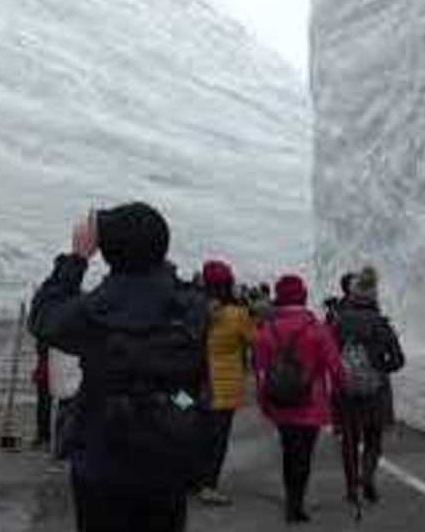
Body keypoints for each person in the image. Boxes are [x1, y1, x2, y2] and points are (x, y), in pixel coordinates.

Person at [29, 202, 208, 532]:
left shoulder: (94, 310)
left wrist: (77, 258)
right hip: (168, 452)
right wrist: (183, 405)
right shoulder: (191, 307)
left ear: (109, 252)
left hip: (101, 454)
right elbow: (194, 382)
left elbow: (44, 317)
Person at [253, 274, 343, 524]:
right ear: (303, 296)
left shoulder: (266, 330)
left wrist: (264, 402)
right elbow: (335, 368)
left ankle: (292, 498)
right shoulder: (317, 329)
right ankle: (297, 502)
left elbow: (260, 371)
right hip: (311, 404)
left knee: (289, 451)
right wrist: (339, 398)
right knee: (304, 454)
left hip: (280, 402)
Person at [330, 266, 405, 506]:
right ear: (373, 297)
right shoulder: (382, 325)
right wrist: (380, 369)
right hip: (376, 392)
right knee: (373, 439)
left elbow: (329, 355)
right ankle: (367, 475)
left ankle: (351, 488)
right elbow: (398, 360)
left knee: (350, 440)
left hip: (347, 391)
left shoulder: (339, 323)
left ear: (352, 296)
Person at [196, 259, 256, 506]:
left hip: (188, 388)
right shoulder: (236, 315)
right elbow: (256, 340)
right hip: (223, 390)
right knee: (217, 438)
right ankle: (208, 486)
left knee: (191, 430)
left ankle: (190, 478)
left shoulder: (192, 308)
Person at [32, 338, 52, 447]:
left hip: (49, 369)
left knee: (45, 404)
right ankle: (43, 434)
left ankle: (44, 435)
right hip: (45, 370)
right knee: (43, 403)